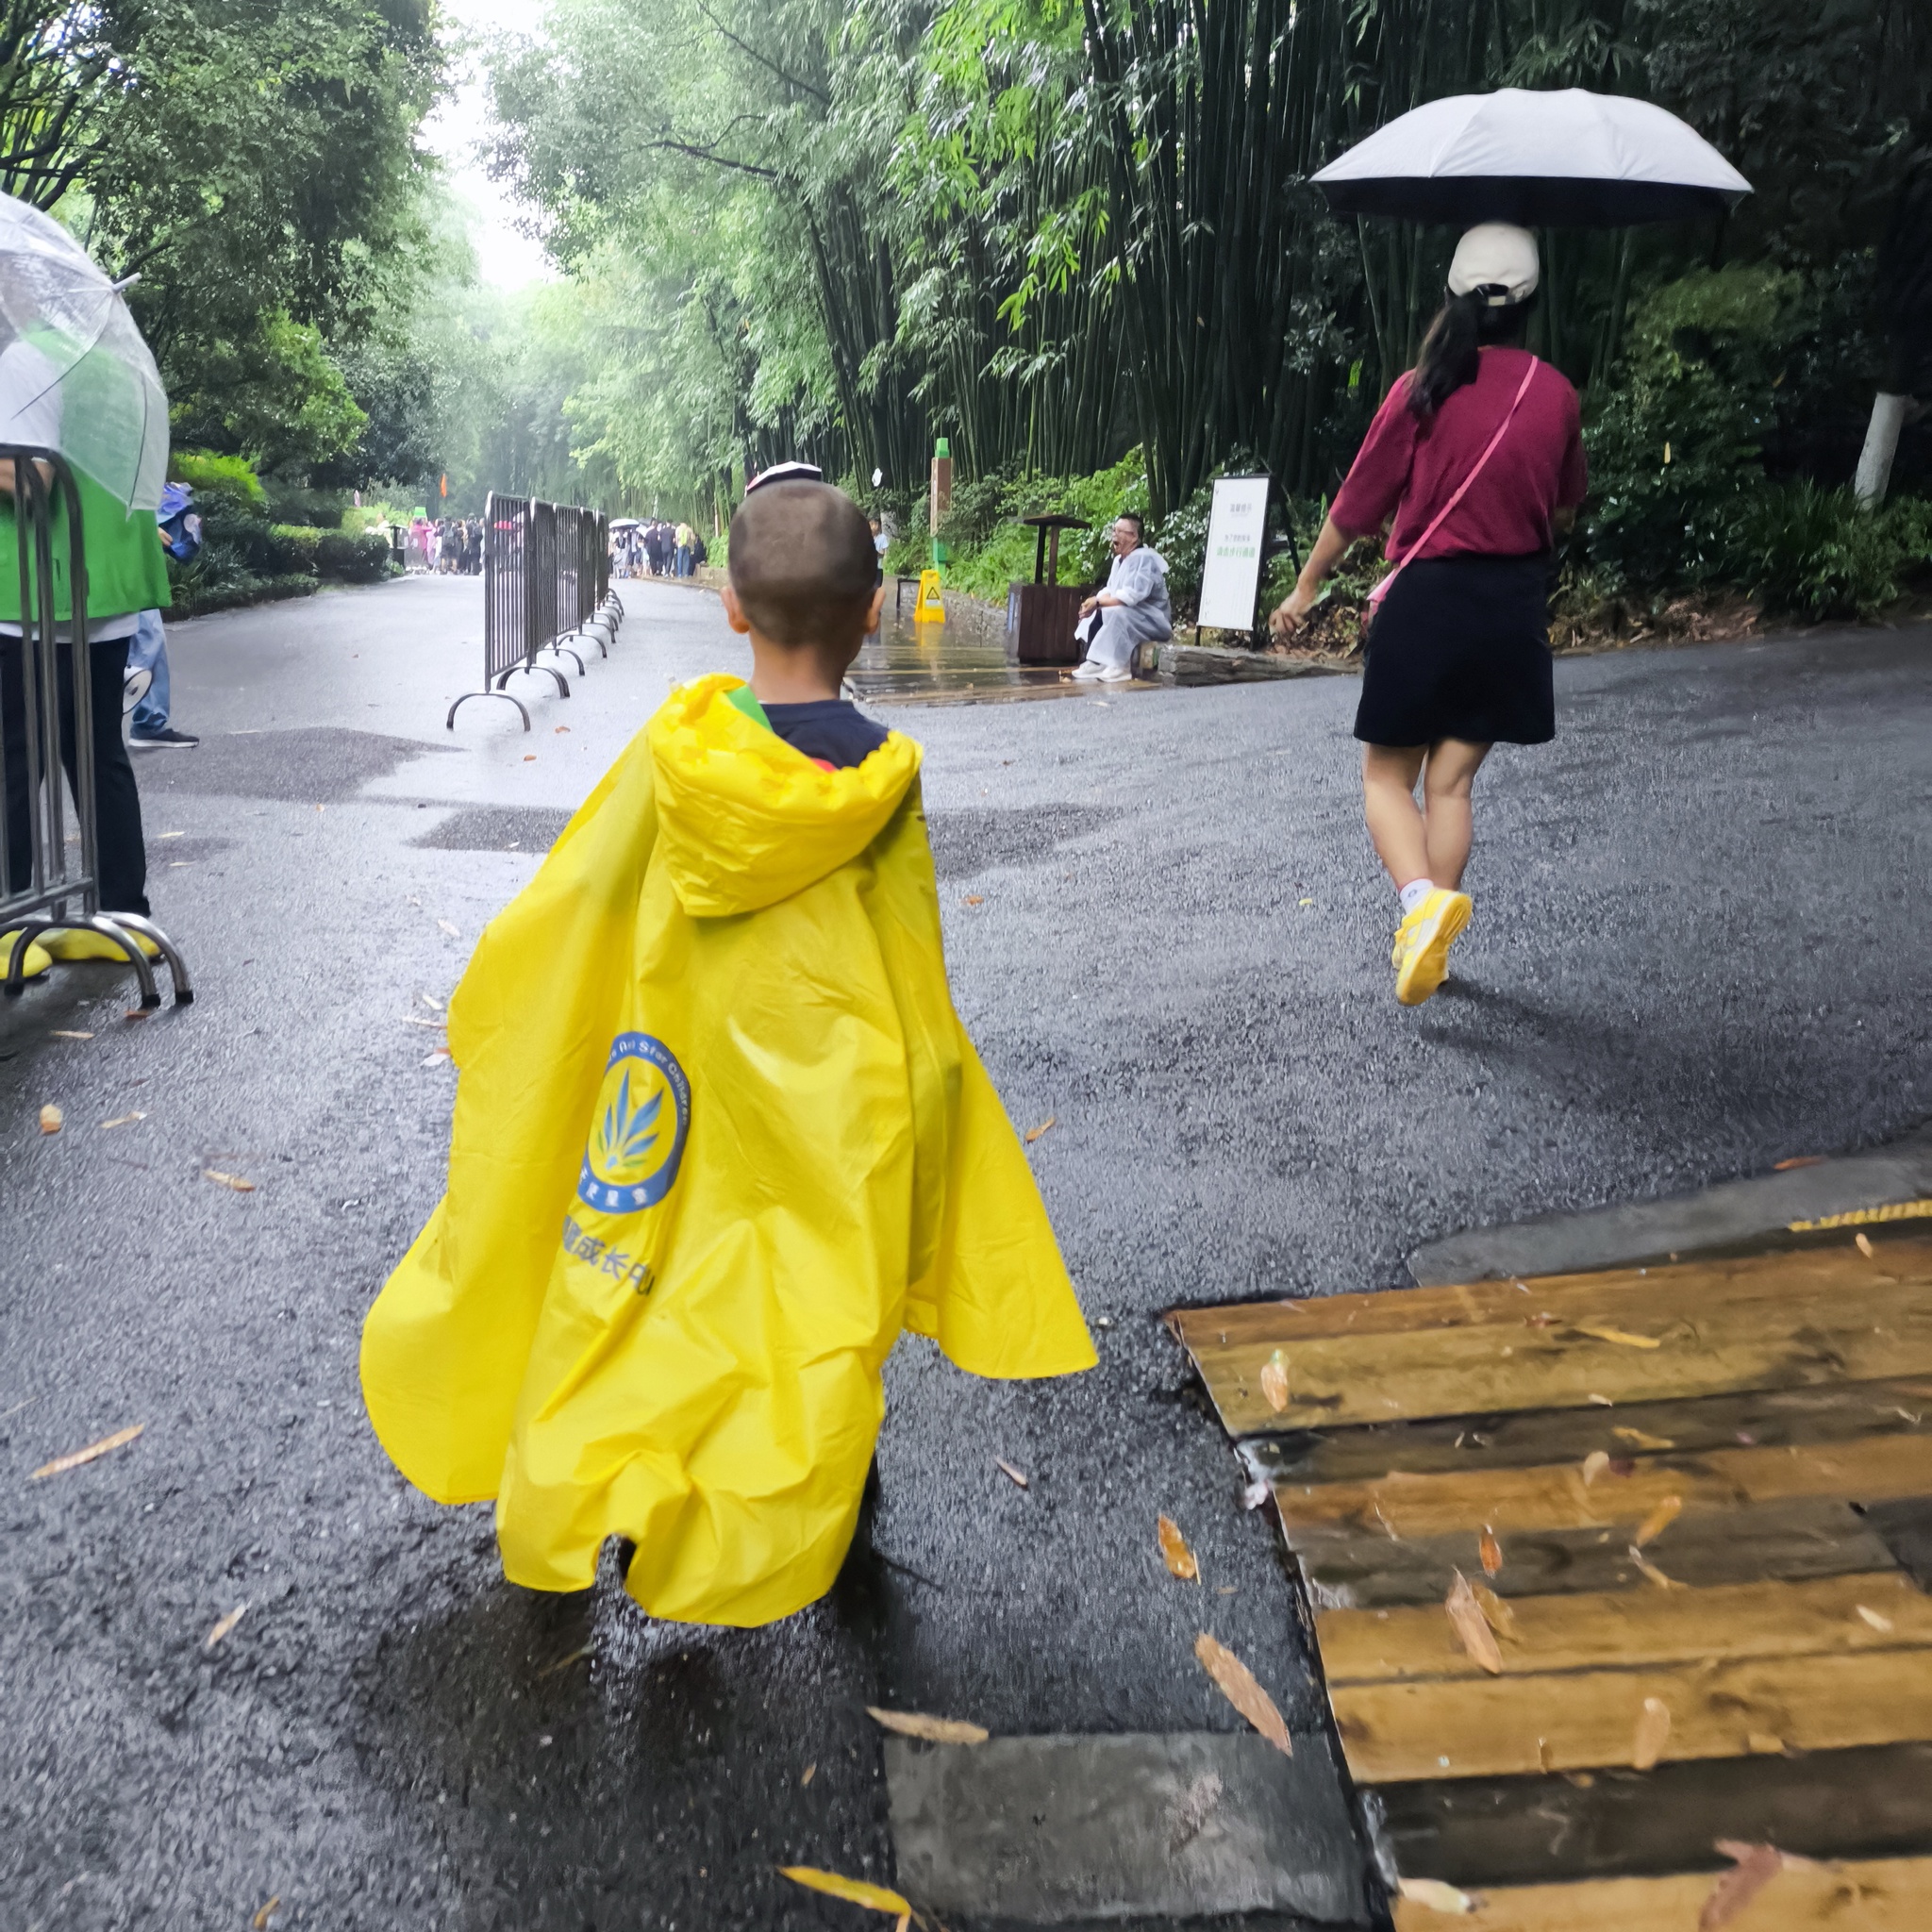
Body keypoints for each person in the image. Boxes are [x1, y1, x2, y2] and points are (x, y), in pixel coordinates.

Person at [358, 477, 1095, 1625]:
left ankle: (589, 1481)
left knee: (639, 1283)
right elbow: (907, 961)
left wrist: (514, 1000)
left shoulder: (676, 753)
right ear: (868, 616)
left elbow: (580, 901)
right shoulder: (880, 777)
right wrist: (931, 1094)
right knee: (808, 1302)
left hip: (676, 1084)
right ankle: (817, 1490)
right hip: (822, 1110)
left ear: (733, 611)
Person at [1270, 224, 1586, 1007]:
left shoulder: (1421, 388)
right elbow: (1567, 507)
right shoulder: (1556, 393)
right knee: (1450, 787)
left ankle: (1420, 906)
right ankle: (1431, 950)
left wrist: (1305, 587)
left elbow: (1356, 507)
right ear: (1531, 305)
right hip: (1510, 609)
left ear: (1451, 298)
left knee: (1386, 778)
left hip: (1427, 602)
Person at [0, 455, 169, 977]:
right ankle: (122, 915)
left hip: (31, 584)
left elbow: (31, 480)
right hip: (103, 577)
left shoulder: (32, 375)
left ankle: (6, 926)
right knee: (95, 749)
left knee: (14, 758)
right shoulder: (109, 374)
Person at [126, 481, 200, 750]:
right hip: (117, 562)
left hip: (131, 562)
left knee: (149, 638)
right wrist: (143, 526)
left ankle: (149, 722)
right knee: (143, 639)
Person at [1071, 512, 1171, 683]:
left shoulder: (1144, 559)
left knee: (1116, 612)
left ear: (1134, 537)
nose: (1114, 535)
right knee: (1099, 611)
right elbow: (1112, 590)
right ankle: (1096, 661)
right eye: (1114, 530)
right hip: (1134, 614)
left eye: (1120, 531)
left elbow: (1131, 596)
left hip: (1152, 620)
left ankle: (1119, 665)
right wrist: (1095, 602)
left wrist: (1098, 602)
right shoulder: (1119, 560)